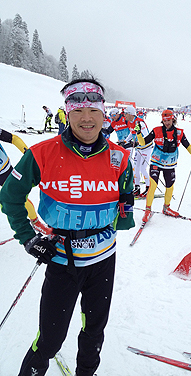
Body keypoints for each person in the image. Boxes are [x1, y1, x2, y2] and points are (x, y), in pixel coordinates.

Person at [0, 78, 134, 376]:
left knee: (93, 334)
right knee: (49, 340)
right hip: (62, 261)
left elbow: (125, 201)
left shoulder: (120, 157)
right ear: (67, 113)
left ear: (104, 113)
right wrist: (27, 238)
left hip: (103, 261)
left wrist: (125, 208)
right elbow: (9, 196)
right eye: (78, 111)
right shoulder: (43, 152)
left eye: (94, 110)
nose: (86, 119)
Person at [134, 109, 191, 222]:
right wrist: (139, 133)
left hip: (170, 165)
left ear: (173, 119)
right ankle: (148, 210)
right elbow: (143, 143)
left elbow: (187, 144)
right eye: (164, 120)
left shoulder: (179, 132)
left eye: (168, 120)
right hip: (156, 162)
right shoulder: (156, 130)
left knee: (170, 186)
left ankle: (166, 208)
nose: (166, 123)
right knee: (153, 186)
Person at [0, 127, 51, 235]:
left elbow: (13, 138)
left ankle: (35, 222)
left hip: (3, 170)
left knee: (16, 198)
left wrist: (27, 153)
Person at [123, 105, 152, 197]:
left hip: (146, 148)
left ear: (130, 114)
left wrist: (136, 143)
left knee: (143, 169)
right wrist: (125, 141)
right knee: (136, 169)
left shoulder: (139, 123)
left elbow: (146, 136)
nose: (124, 115)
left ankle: (148, 188)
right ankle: (137, 188)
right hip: (139, 149)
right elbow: (132, 134)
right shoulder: (130, 122)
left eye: (125, 113)